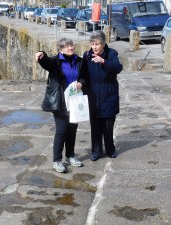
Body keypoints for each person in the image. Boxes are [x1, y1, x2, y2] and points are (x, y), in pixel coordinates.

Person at [35, 38, 85, 173]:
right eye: (67, 46)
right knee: (61, 131)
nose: (70, 48)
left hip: (74, 100)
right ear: (61, 49)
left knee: (72, 130)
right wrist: (42, 55)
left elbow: (84, 76)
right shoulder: (56, 61)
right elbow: (47, 63)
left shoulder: (79, 61)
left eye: (71, 45)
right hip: (60, 102)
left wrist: (81, 83)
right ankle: (57, 160)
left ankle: (70, 155)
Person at [82, 30, 123, 161]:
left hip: (108, 94)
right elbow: (83, 74)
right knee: (95, 126)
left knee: (108, 125)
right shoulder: (87, 55)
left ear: (103, 44)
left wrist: (103, 61)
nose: (94, 47)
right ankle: (96, 151)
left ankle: (110, 149)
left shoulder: (112, 54)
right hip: (93, 95)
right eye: (92, 44)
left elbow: (118, 68)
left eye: (97, 44)